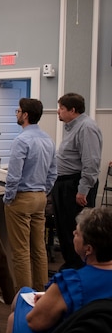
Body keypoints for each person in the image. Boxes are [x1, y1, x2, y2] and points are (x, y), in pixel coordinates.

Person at [4, 207, 112, 333]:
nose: (73, 234)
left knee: (15, 313)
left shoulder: (72, 281)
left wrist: (49, 301)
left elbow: (35, 323)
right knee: (25, 293)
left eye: (77, 234)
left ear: (89, 249)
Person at [4, 98, 57, 291]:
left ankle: (24, 296)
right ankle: (41, 292)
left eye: (18, 111)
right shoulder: (48, 139)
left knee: (21, 251)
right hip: (40, 197)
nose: (16, 114)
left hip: (22, 198)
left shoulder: (21, 140)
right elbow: (53, 173)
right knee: (39, 248)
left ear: (25, 115)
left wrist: (9, 198)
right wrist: (43, 191)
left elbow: (14, 175)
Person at [51, 93, 102, 270]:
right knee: (64, 228)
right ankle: (71, 265)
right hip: (64, 183)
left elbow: (91, 162)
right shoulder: (72, 127)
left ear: (73, 110)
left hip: (75, 185)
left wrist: (83, 190)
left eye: (62, 108)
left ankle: (79, 267)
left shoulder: (86, 127)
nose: (58, 112)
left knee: (76, 229)